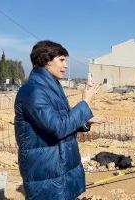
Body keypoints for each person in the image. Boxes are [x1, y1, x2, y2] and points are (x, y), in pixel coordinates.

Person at [15, 40, 104, 200]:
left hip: (59, 165)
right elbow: (58, 127)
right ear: (45, 61)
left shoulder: (51, 86)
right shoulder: (34, 91)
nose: (66, 65)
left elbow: (61, 120)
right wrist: (84, 104)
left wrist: (84, 122)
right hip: (46, 169)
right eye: (62, 60)